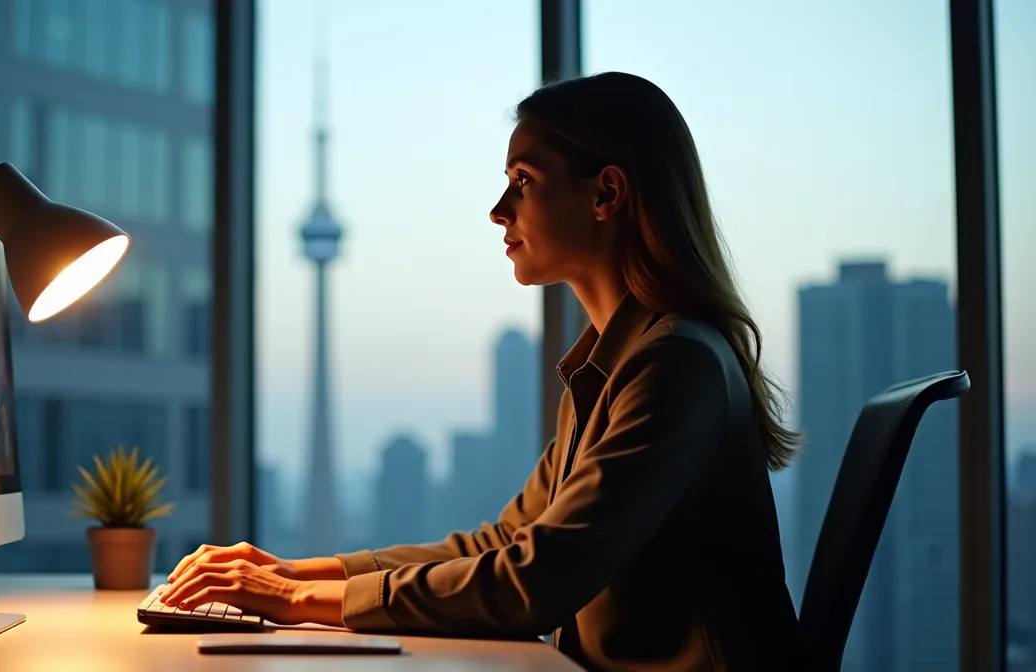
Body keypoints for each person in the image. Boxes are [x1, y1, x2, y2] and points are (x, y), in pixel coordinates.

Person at [158, 72, 802, 672]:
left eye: (522, 181)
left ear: (606, 192)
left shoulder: (673, 365)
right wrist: (299, 575)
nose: (499, 210)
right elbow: (505, 541)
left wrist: (296, 603)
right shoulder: (609, 366)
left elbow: (536, 581)